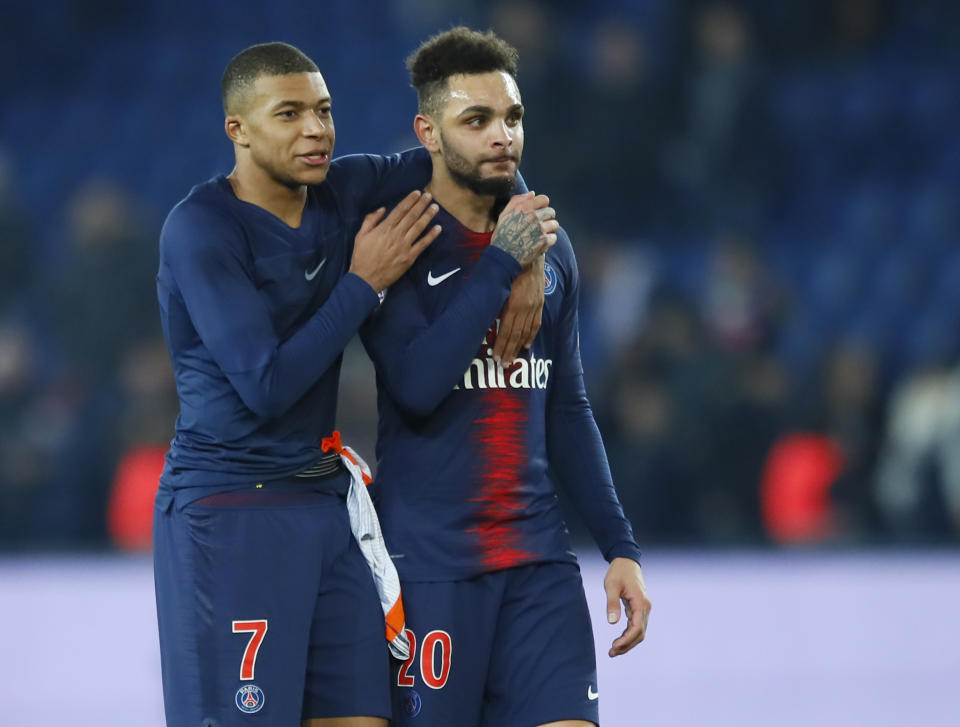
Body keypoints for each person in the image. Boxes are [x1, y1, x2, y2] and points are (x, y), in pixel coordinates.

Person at [153, 41, 553, 727]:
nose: (316, 129)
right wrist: (364, 284)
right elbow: (267, 385)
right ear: (238, 130)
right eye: (289, 113)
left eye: (324, 110)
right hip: (228, 511)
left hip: (324, 506)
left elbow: (473, 159)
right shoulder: (202, 229)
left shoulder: (346, 189)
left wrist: (524, 253)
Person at [360, 28, 652, 727]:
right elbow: (416, 385)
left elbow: (568, 405)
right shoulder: (396, 241)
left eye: (512, 118)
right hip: (431, 569)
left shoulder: (550, 249)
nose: (502, 136)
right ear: (428, 132)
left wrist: (619, 546)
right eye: (477, 120)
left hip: (539, 566)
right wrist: (501, 264)